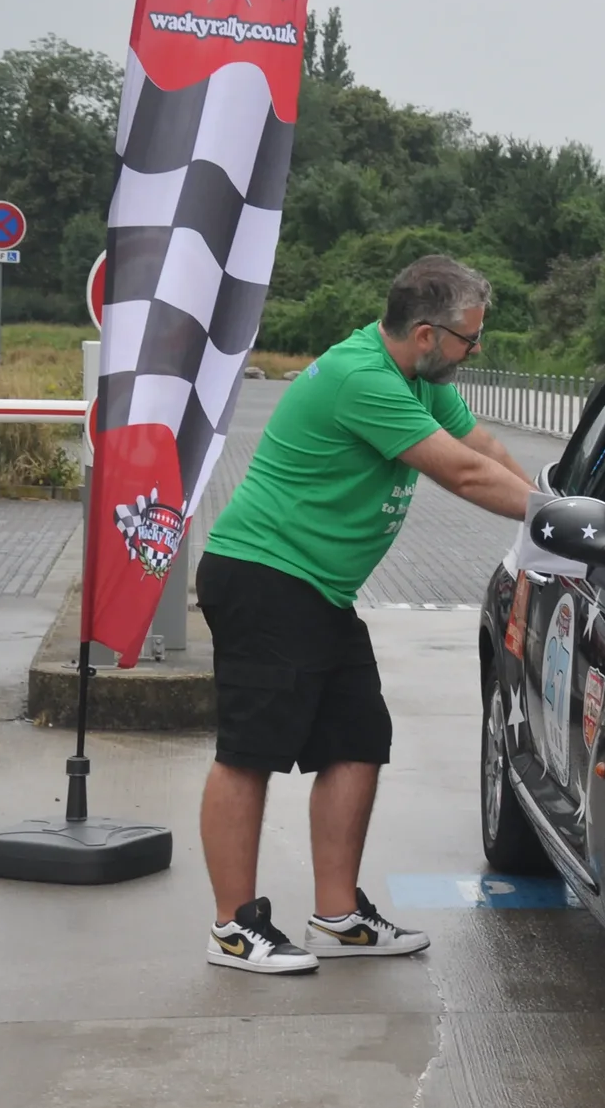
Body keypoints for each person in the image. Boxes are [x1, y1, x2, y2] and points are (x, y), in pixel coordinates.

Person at [194, 256, 539, 972]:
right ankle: (232, 928)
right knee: (249, 752)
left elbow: (486, 449)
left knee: (358, 740)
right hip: (266, 576)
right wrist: (562, 522)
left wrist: (555, 506)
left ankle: (339, 915)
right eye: (469, 340)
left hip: (318, 590)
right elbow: (464, 475)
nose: (475, 352)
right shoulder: (363, 379)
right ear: (425, 334)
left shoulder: (418, 378)